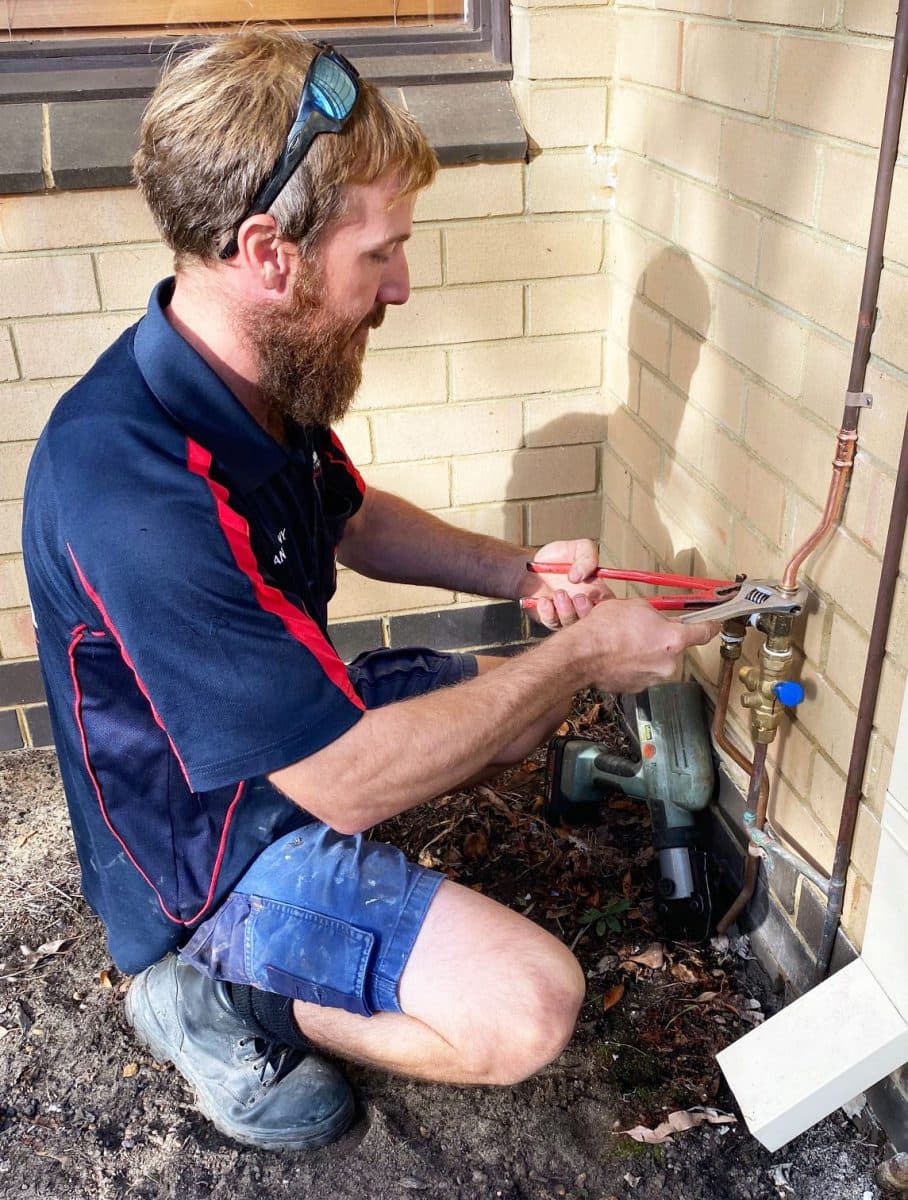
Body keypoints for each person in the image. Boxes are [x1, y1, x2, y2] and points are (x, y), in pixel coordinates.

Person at [22, 29, 718, 1152]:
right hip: (207, 856)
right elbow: (344, 784)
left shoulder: (253, 374)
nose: (402, 284)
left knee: (502, 709)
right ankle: (213, 999)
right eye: (380, 253)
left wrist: (516, 572)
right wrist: (583, 660)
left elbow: (352, 516)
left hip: (282, 744)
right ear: (269, 253)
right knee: (526, 1007)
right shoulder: (132, 489)